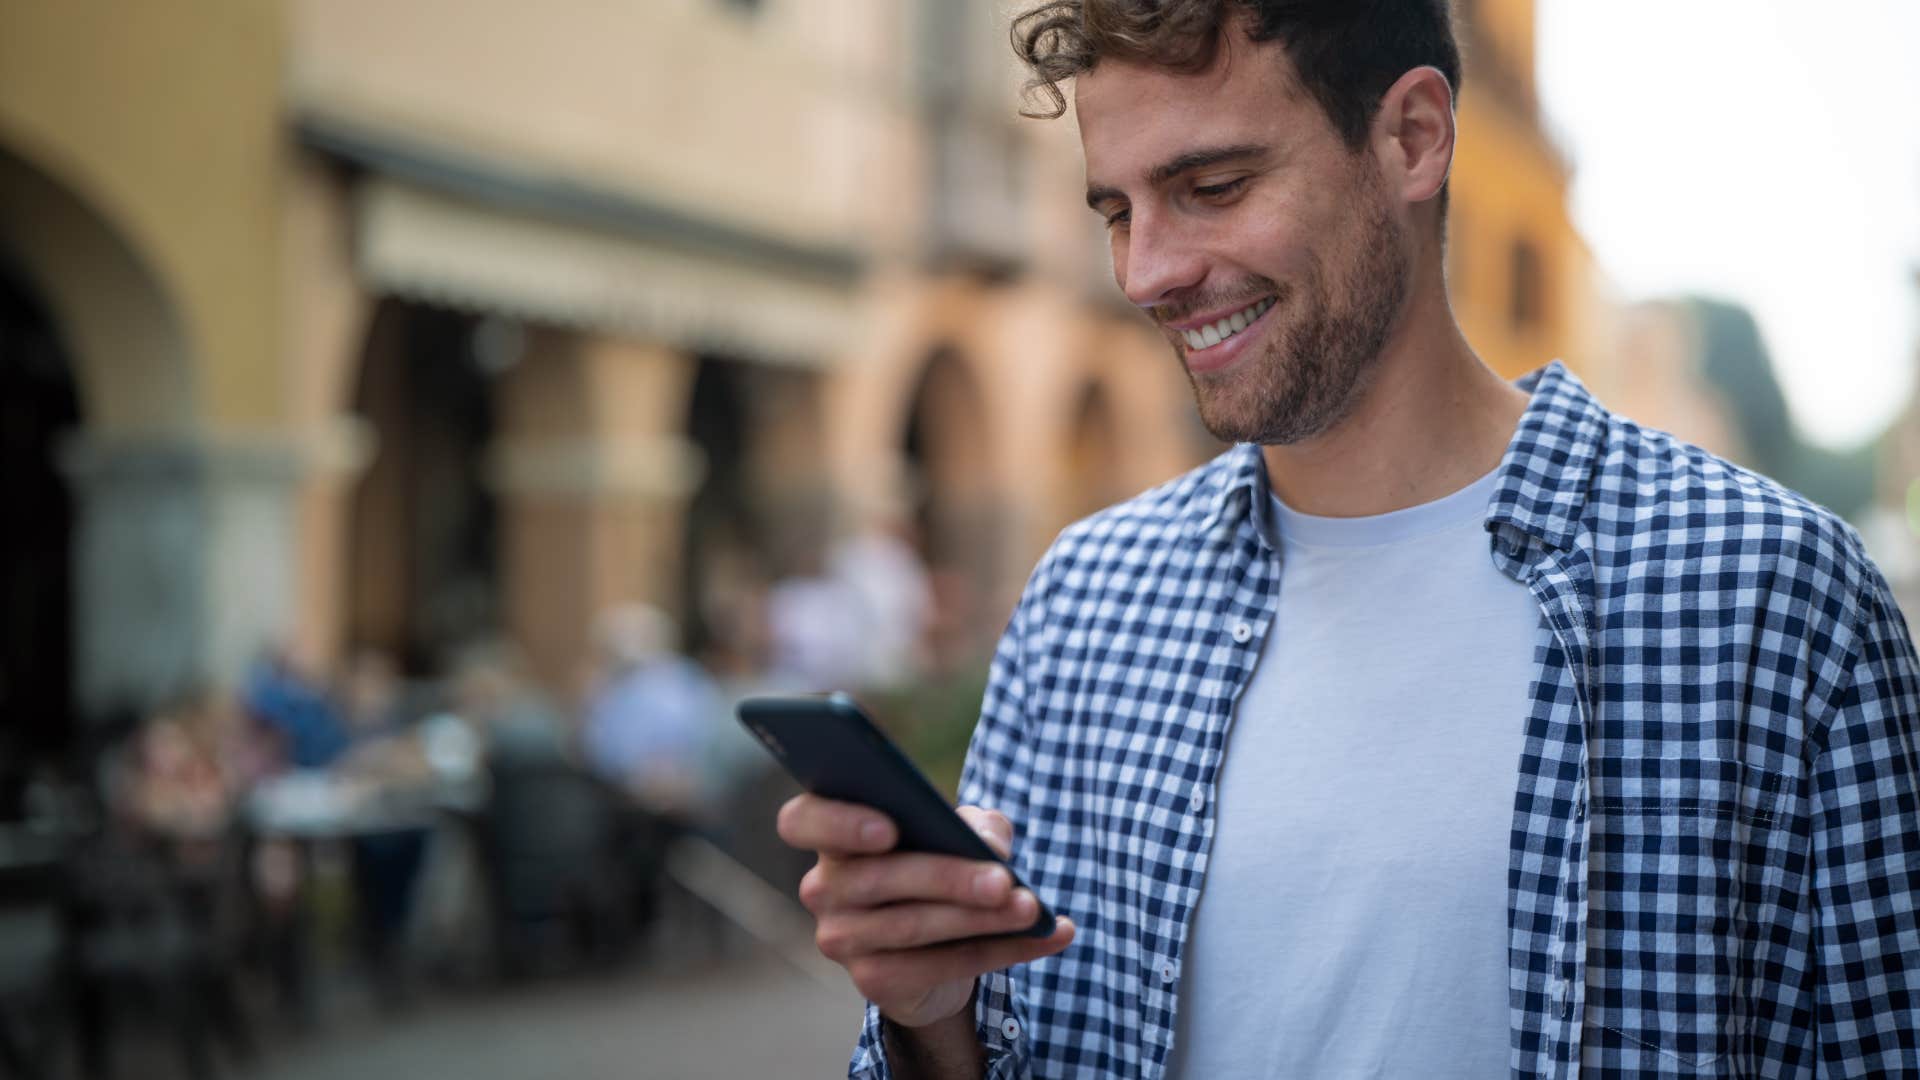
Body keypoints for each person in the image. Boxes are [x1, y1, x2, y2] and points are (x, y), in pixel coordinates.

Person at [775, 3, 1920, 1078]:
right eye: (1118, 211)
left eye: (1213, 187)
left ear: (1413, 139)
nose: (1147, 272)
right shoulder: (1083, 600)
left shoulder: (1773, 599)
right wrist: (933, 1017)